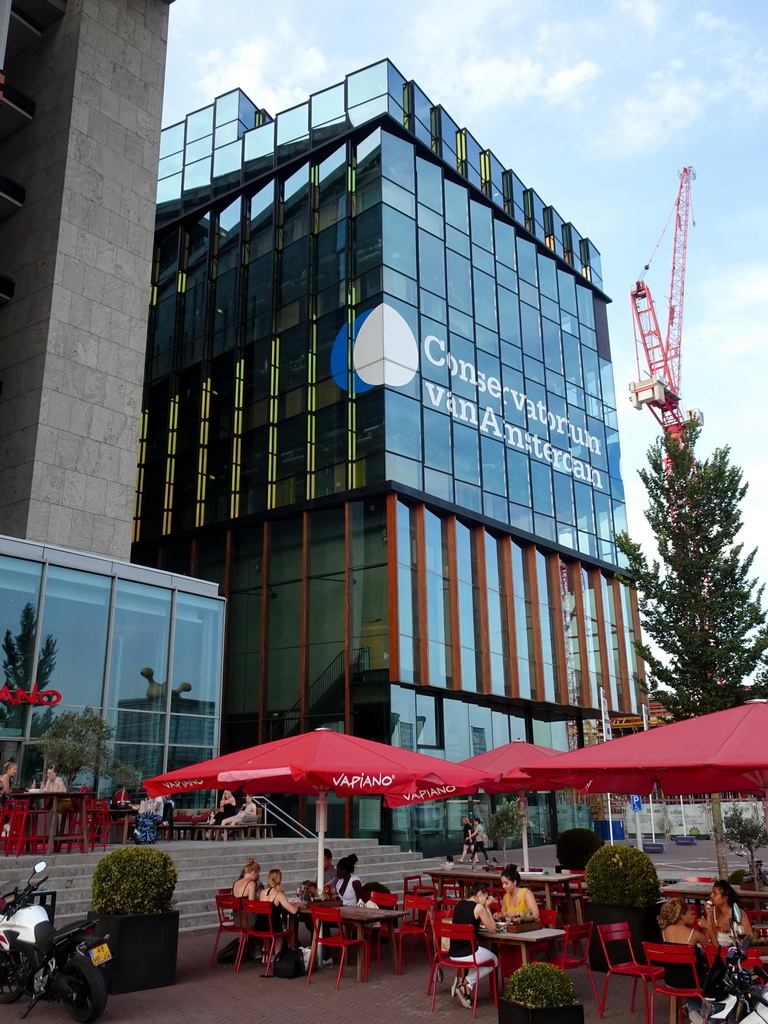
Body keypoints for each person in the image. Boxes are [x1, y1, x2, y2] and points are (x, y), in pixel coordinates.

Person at [658, 898, 714, 1024]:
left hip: (671, 981)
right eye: (691, 913)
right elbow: (715, 953)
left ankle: (695, 1013)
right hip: (693, 982)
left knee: (689, 975)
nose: (694, 915)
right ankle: (705, 1017)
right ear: (682, 916)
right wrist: (709, 928)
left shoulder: (664, 931)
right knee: (713, 979)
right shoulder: (694, 934)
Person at [448, 881, 499, 1009]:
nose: (486, 900)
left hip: (453, 953)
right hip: (467, 953)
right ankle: (465, 982)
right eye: (486, 897)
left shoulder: (459, 905)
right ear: (480, 894)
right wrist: (488, 907)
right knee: (494, 960)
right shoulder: (479, 907)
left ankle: (467, 989)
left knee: (477, 959)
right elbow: (492, 929)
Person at [259, 869, 300, 958]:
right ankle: (279, 955)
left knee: (279, 926)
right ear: (279, 879)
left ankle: (266, 954)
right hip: (273, 926)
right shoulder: (279, 894)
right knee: (285, 931)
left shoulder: (262, 893)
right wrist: (297, 904)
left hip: (261, 924)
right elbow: (293, 910)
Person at [705, 879, 752, 946]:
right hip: (717, 952)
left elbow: (748, 938)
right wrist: (709, 918)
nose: (711, 896)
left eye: (714, 893)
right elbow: (709, 939)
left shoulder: (739, 914)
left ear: (725, 898)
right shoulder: (712, 912)